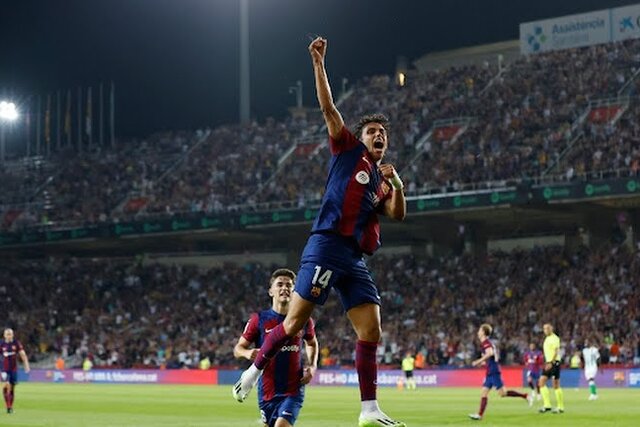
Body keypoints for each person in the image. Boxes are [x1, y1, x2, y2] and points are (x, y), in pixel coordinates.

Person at [233, 36, 407, 427]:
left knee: (371, 329)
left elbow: (397, 214)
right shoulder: (347, 149)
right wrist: (318, 63)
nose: (379, 135)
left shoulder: (382, 181)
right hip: (326, 245)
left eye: (383, 132)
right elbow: (328, 107)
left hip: (353, 258)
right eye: (373, 131)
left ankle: (368, 409)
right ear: (361, 137)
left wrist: (397, 184)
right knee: (293, 324)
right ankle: (253, 372)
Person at [233, 269, 319, 427]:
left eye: (289, 285)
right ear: (271, 291)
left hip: (293, 389)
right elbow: (238, 349)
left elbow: (312, 343)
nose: (284, 288)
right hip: (267, 391)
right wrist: (247, 352)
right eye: (279, 284)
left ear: (294, 291)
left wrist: (312, 366)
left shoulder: (303, 319)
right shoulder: (259, 320)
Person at [468, 324, 530, 421]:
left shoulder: (486, 343)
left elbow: (490, 353)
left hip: (493, 371)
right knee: (484, 393)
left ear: (483, 332)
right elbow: (491, 357)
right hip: (490, 371)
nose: (478, 332)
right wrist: (482, 363)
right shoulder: (486, 343)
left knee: (503, 393)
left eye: (480, 330)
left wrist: (478, 361)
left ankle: (525, 396)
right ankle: (480, 415)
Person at [0, 328, 30, 414]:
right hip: (4, 369)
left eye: (10, 334)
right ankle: (8, 406)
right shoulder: (1, 344)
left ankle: (10, 407)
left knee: (12, 387)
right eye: (7, 334)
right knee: (6, 385)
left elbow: (22, 354)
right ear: (4, 335)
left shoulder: (16, 343)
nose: (9, 336)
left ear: (12, 335)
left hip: (13, 369)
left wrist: (26, 365)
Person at [538, 323, 564, 413]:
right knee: (542, 382)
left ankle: (559, 407)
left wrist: (551, 362)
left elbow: (556, 351)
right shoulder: (547, 339)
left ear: (551, 329)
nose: (546, 330)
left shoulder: (555, 338)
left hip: (554, 363)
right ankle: (548, 405)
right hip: (549, 363)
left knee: (555, 385)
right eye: (544, 329)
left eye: (547, 328)